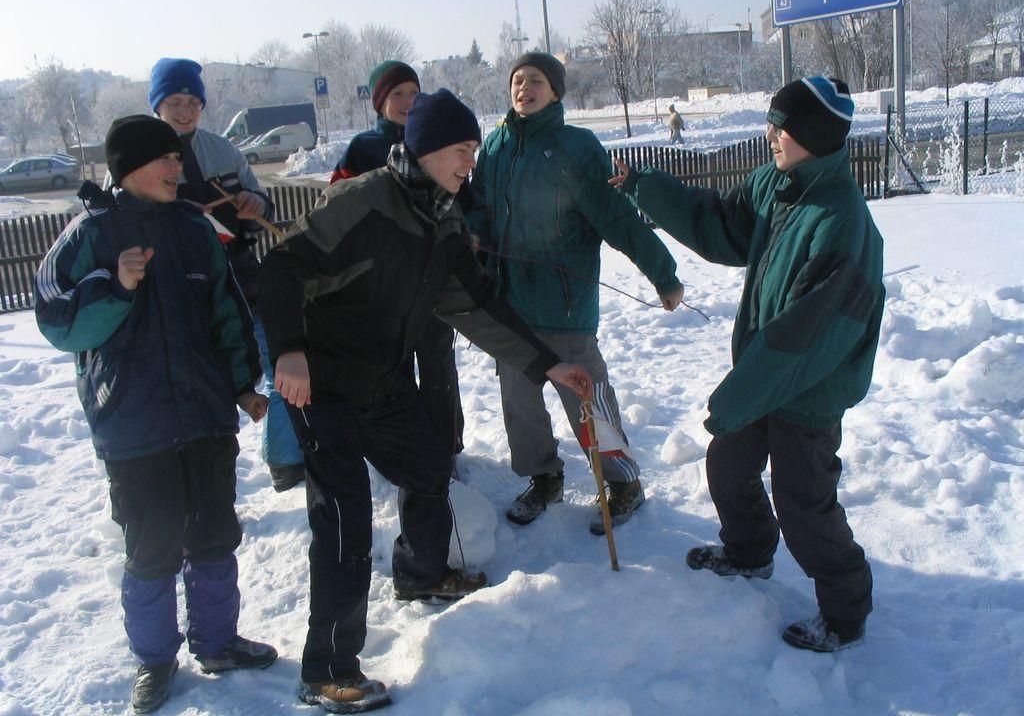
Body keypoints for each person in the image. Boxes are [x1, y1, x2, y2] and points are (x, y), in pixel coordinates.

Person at [259, 89, 592, 714]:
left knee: (429, 469)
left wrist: (549, 365)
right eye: (463, 151)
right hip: (322, 383)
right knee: (344, 519)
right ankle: (326, 668)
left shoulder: (443, 219)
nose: (471, 163)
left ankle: (418, 573)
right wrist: (287, 351)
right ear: (429, 149)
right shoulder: (362, 202)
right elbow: (280, 268)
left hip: (382, 380)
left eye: (472, 151)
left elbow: (479, 305)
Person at [612, 76, 884, 653]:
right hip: (766, 373)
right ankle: (749, 553)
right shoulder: (777, 186)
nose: (770, 134)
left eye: (781, 126)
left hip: (808, 387)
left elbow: (808, 338)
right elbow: (719, 221)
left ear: (813, 133)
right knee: (729, 466)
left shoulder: (842, 222)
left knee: (804, 504)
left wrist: (738, 396)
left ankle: (845, 610)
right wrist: (647, 188)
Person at [35, 115, 278, 713]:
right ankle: (155, 661)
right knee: (152, 548)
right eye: (163, 159)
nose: (178, 167)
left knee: (215, 535)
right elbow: (59, 323)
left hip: (203, 414)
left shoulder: (197, 230)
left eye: (178, 158)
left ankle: (217, 641)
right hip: (133, 424)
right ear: (127, 169)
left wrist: (243, 384)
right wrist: (114, 285)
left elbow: (227, 310)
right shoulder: (90, 234)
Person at [465, 52, 684, 533]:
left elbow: (617, 217)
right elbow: (478, 204)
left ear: (556, 92)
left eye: (536, 80)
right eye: (517, 80)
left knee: (587, 398)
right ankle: (544, 477)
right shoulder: (497, 146)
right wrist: (476, 237)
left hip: (564, 306)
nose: (524, 87)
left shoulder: (576, 147)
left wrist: (663, 275)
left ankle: (623, 483)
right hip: (510, 306)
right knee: (518, 403)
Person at [149, 57, 305, 493]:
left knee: (281, 368)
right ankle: (199, 488)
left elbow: (258, 202)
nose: (185, 111)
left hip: (241, 277)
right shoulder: (138, 153)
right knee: (198, 388)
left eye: (193, 102)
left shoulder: (222, 150)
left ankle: (286, 458)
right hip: (177, 293)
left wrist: (255, 206)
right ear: (158, 104)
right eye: (175, 101)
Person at [328, 60, 467, 470]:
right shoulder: (362, 148)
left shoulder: (437, 141)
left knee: (438, 362)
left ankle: (446, 445)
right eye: (397, 95)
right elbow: (338, 208)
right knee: (393, 368)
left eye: (413, 92)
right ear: (379, 103)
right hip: (384, 287)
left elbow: (465, 195)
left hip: (436, 278)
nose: (407, 102)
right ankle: (404, 446)